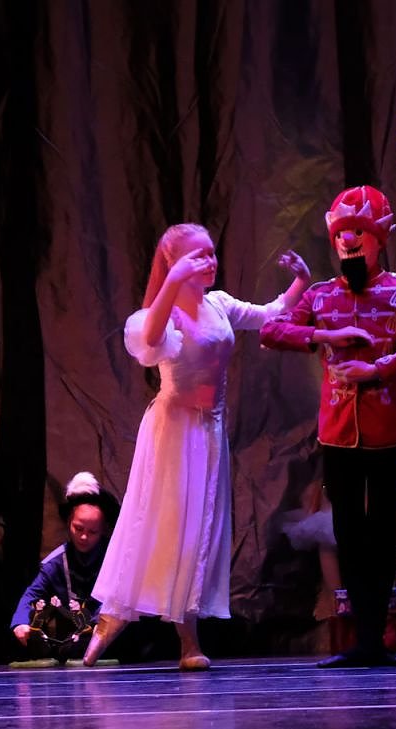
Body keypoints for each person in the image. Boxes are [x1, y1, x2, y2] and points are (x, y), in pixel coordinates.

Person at [82, 223, 312, 669]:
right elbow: (149, 341)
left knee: (199, 533)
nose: (210, 261)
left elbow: (270, 313)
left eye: (211, 253)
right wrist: (171, 281)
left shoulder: (218, 304)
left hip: (209, 433)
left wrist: (300, 281)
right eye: (198, 256)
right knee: (160, 527)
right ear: (174, 263)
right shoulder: (164, 314)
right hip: (174, 432)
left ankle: (187, 638)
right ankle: (116, 617)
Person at [261, 185, 396, 667]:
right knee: (348, 533)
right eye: (342, 233)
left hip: (388, 433)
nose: (349, 242)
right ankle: (363, 639)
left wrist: (378, 369)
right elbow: (271, 330)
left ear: (380, 238)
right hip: (339, 434)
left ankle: (375, 641)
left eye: (359, 233)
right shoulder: (321, 295)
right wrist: (326, 333)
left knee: (381, 536)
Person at [10, 472, 120, 662]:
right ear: (69, 523)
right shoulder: (56, 562)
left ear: (102, 530)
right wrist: (20, 622)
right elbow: (32, 594)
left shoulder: (114, 559)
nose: (84, 537)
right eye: (79, 528)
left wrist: (100, 624)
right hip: (75, 639)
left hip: (111, 637)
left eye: (92, 532)